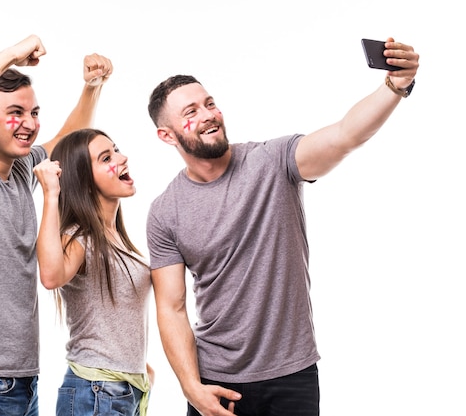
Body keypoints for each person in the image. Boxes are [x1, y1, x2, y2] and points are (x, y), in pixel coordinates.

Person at [145, 37, 419, 416]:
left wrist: (395, 86)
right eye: (191, 111)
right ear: (167, 134)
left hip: (292, 375)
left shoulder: (272, 161)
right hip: (217, 382)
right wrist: (192, 387)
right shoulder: (164, 212)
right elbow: (172, 307)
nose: (208, 114)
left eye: (210, 103)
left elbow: (345, 136)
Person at [0, 34, 113, 416]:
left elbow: (67, 139)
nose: (29, 124)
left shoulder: (22, 168)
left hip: (21, 380)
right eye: (16, 113)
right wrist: (10, 55)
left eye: (34, 113)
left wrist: (92, 88)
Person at [33, 128, 154, 416]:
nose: (122, 158)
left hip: (122, 390)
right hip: (97, 391)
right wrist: (51, 194)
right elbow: (51, 276)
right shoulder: (79, 239)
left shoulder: (117, 239)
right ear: (85, 181)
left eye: (116, 149)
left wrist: (140, 368)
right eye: (106, 157)